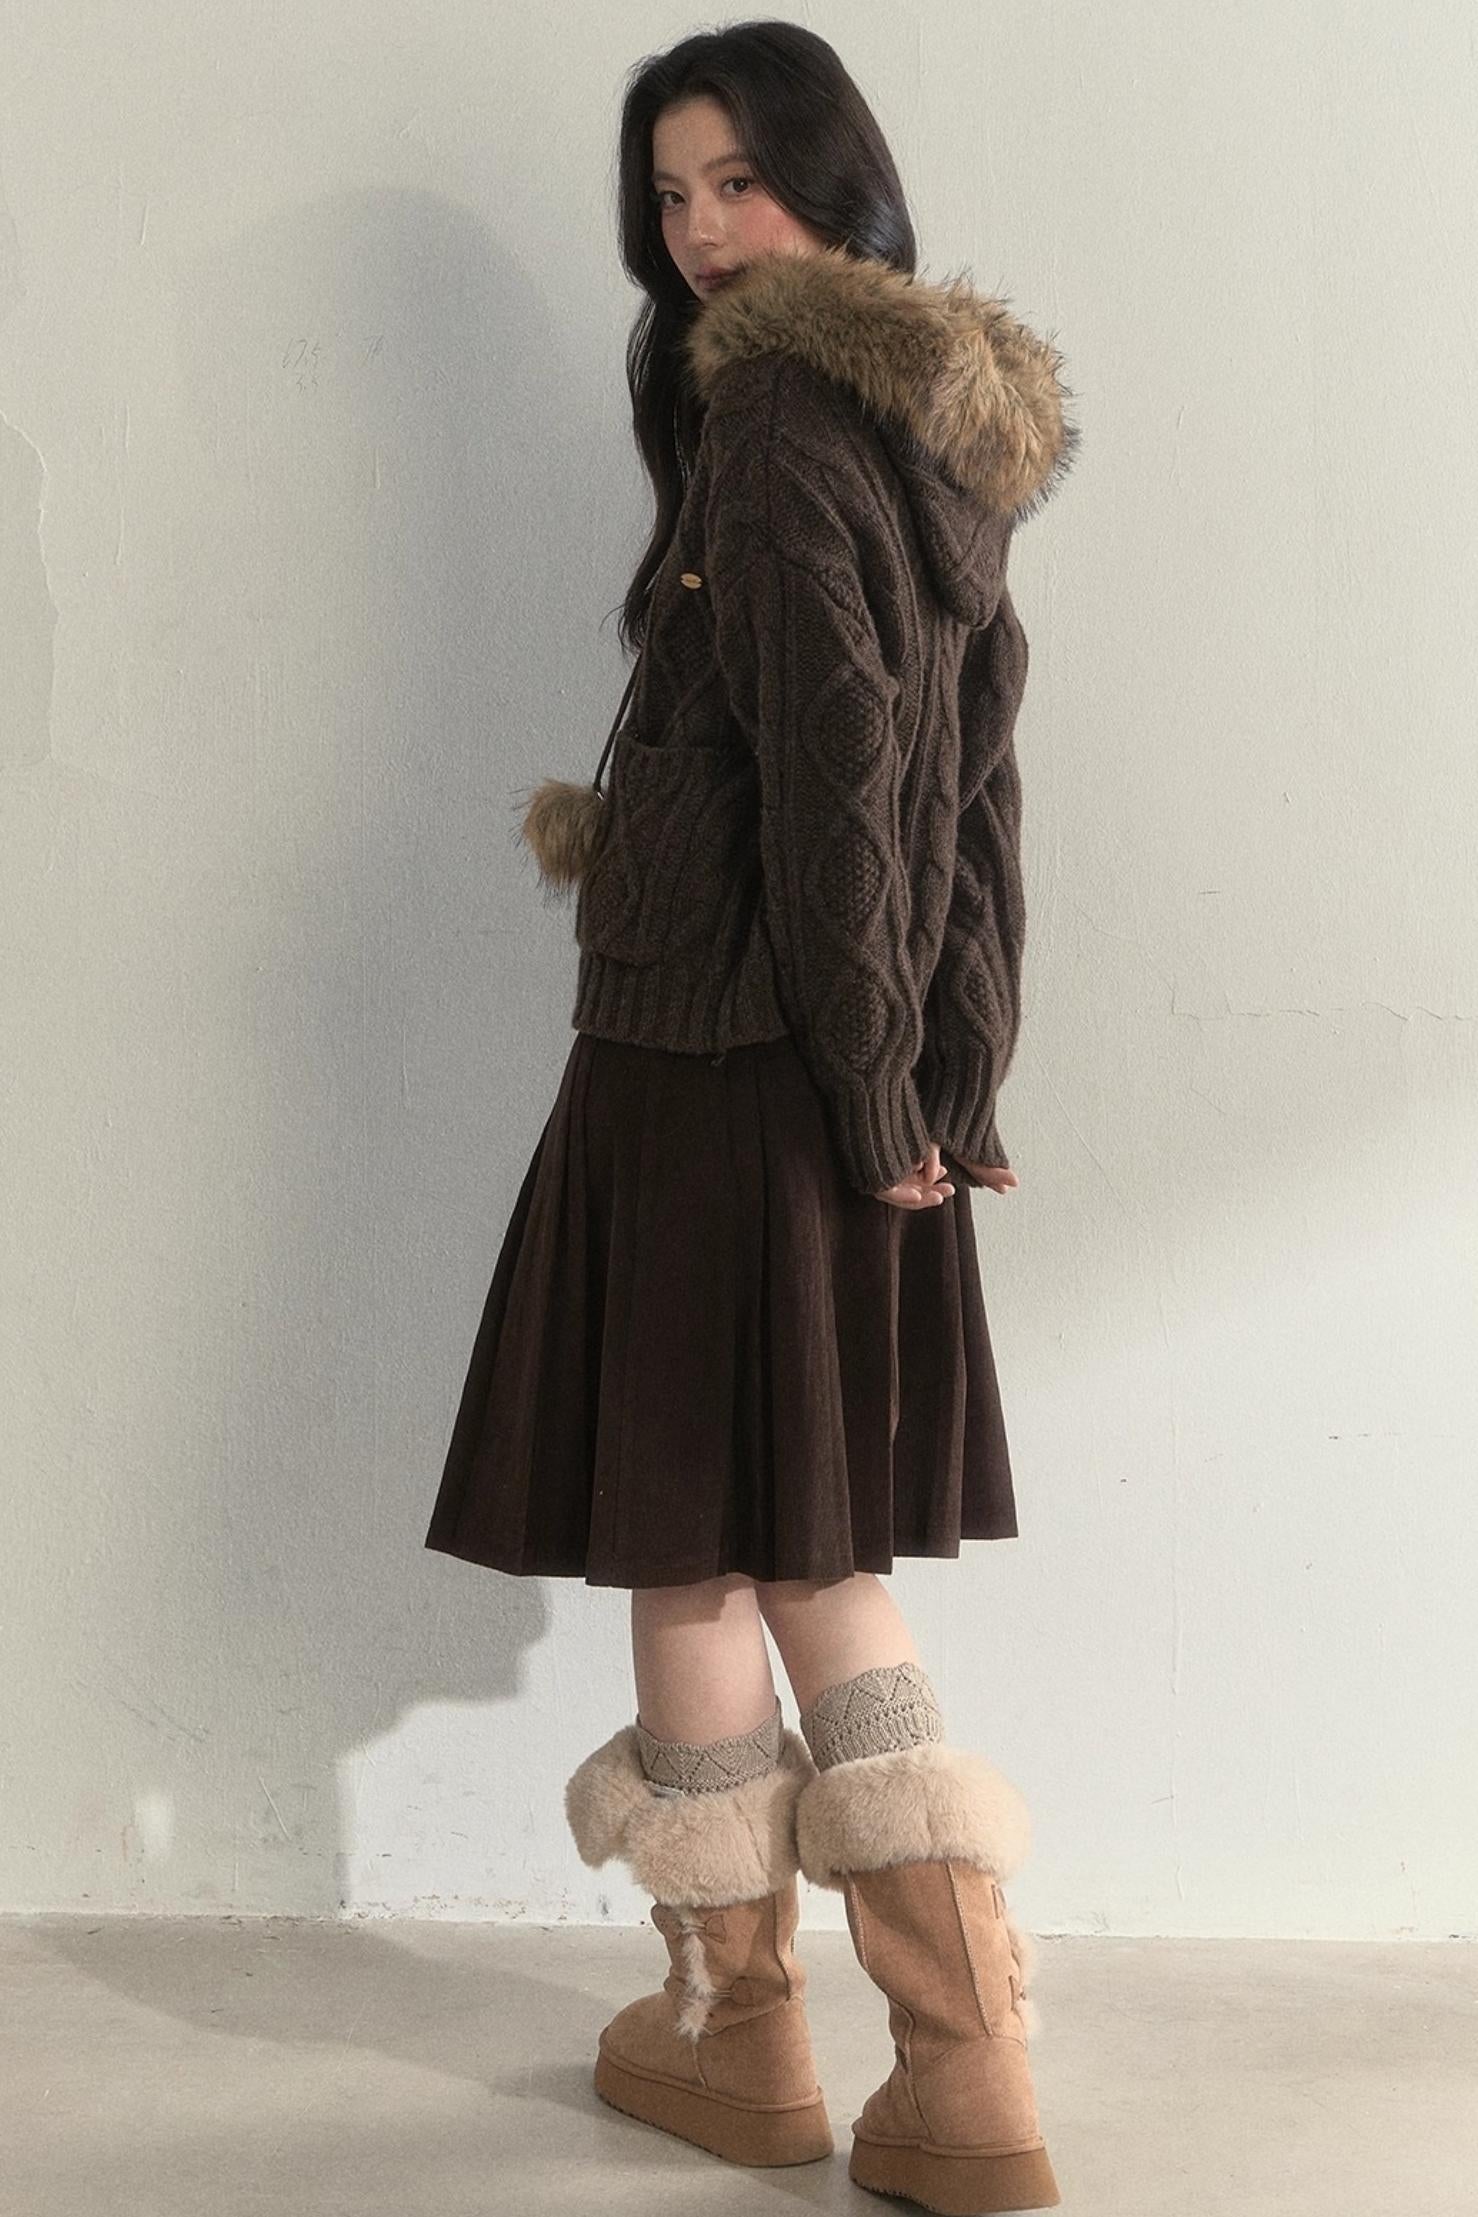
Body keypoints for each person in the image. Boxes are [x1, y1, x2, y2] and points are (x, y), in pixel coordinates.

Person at [424, 21, 1078, 2213]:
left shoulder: (783, 413)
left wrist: (884, 1070)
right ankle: (953, 2070)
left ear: (833, 179)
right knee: (805, 1542)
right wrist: (945, 1067)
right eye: (670, 195)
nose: (701, 233)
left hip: (719, 1060)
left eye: (738, 183)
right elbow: (969, 781)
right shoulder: (938, 422)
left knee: (714, 1542)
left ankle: (754, 2033)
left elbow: (839, 780)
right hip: (829, 1064)